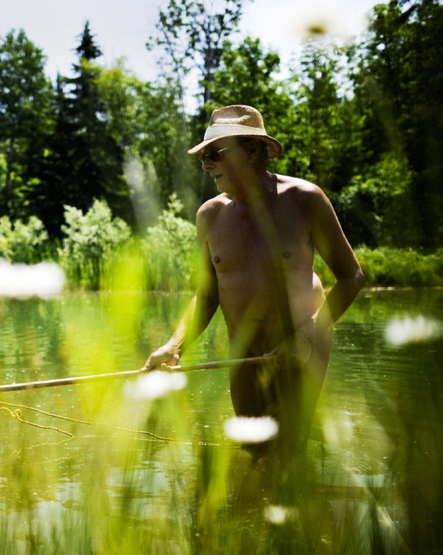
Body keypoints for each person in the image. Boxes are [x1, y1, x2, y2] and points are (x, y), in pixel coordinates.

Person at [143, 105, 364, 458]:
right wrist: (175, 345)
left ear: (250, 150)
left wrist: (306, 337)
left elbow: (352, 276)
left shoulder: (305, 199)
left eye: (214, 153)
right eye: (203, 156)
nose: (205, 164)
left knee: (289, 454)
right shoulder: (210, 216)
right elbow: (206, 295)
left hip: (302, 344)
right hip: (243, 351)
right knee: (254, 450)